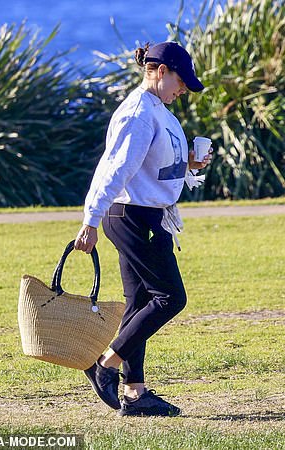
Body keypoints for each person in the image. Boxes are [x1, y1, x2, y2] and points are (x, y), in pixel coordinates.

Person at [73, 41, 211, 417]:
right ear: (161, 71)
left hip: (146, 214)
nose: (184, 90)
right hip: (132, 216)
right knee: (170, 298)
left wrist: (190, 165)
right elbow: (115, 169)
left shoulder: (159, 109)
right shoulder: (138, 112)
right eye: (182, 81)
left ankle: (135, 394)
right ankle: (106, 364)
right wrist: (91, 219)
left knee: (138, 303)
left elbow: (153, 165)